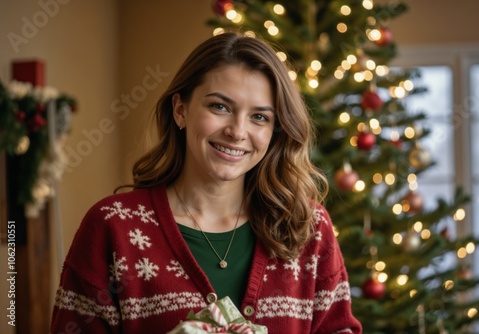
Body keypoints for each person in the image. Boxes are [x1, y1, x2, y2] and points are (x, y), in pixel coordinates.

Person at [50, 32, 362, 333]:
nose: (237, 132)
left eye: (260, 117)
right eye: (220, 107)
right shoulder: (114, 227)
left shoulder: (308, 227)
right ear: (180, 110)